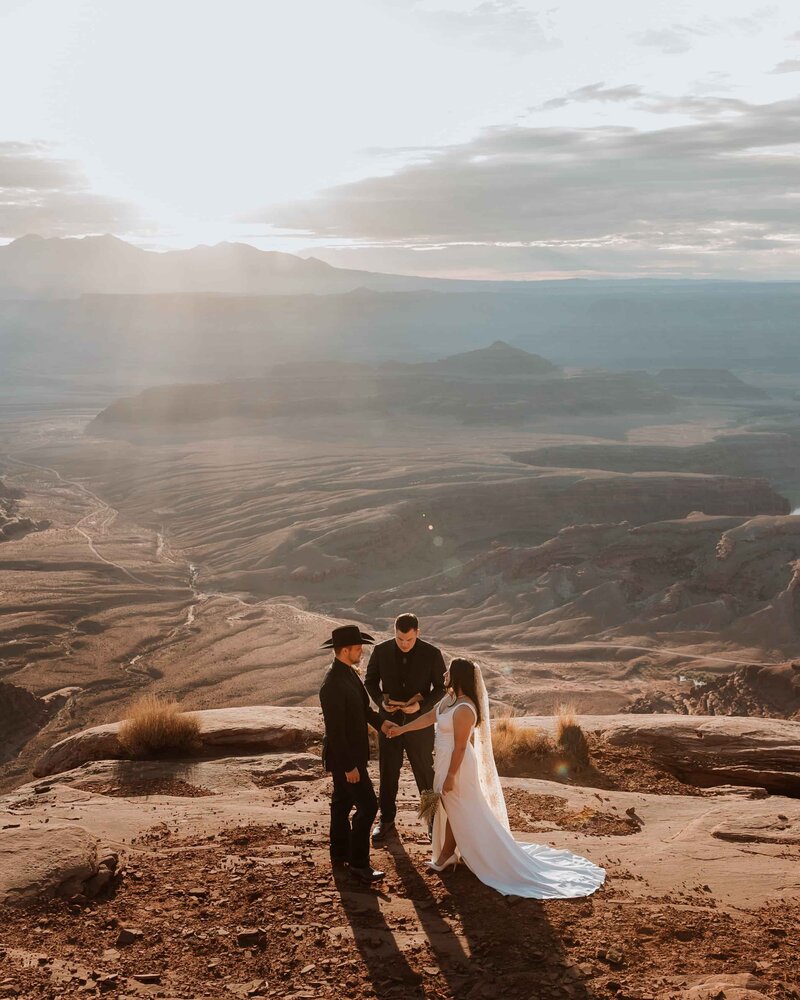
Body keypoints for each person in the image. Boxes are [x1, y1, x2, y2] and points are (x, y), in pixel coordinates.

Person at [389, 658, 606, 899]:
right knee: (451, 808)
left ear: (458, 676)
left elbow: (461, 748)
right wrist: (402, 729)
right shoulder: (448, 701)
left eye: (448, 671)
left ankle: (466, 856)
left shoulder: (464, 709)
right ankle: (447, 855)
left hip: (457, 766)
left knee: (461, 809)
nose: (443, 674)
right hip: (442, 762)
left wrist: (451, 776)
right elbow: (430, 717)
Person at [318, 624, 398, 885]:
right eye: (357, 648)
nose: (361, 651)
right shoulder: (332, 685)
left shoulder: (350, 675)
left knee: (341, 804)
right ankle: (359, 864)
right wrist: (350, 767)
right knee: (368, 806)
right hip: (346, 759)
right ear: (344, 651)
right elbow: (336, 732)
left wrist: (382, 724)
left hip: (350, 758)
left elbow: (364, 709)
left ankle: (339, 852)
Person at [364, 612, 446, 843]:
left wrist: (421, 706)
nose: (404, 644)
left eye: (409, 640)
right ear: (395, 633)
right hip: (389, 723)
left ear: (417, 633)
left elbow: (440, 688)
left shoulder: (432, 654)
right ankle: (386, 820)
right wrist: (381, 702)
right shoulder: (381, 651)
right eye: (400, 639)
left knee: (424, 772)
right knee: (388, 772)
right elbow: (370, 682)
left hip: (419, 724)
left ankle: (433, 821)